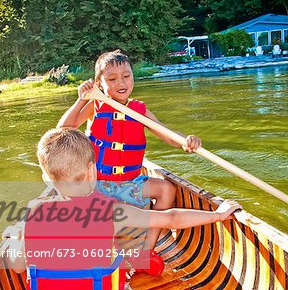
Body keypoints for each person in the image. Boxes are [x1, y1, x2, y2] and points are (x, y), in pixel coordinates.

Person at [11, 128, 241, 290]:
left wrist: (14, 241)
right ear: (91, 172)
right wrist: (217, 215)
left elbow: (18, 266)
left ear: (47, 179)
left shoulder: (31, 215)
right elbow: (171, 218)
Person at [57, 50, 202, 275]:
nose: (121, 83)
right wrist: (80, 100)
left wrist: (186, 141)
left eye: (126, 76)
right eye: (112, 79)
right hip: (99, 187)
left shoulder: (140, 110)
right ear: (99, 83)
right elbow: (62, 131)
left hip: (131, 183)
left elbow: (167, 135)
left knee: (166, 189)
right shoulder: (95, 106)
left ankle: (146, 251)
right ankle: (104, 254)